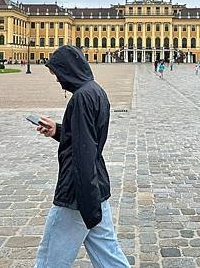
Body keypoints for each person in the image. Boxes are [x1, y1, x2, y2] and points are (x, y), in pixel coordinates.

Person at [34, 46, 129, 268]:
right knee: (109, 257)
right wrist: (58, 130)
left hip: (78, 195)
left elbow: (83, 153)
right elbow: (86, 138)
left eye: (57, 72)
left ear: (68, 70)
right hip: (97, 189)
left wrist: (87, 203)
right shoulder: (95, 91)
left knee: (49, 260)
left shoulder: (81, 99)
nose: (57, 79)